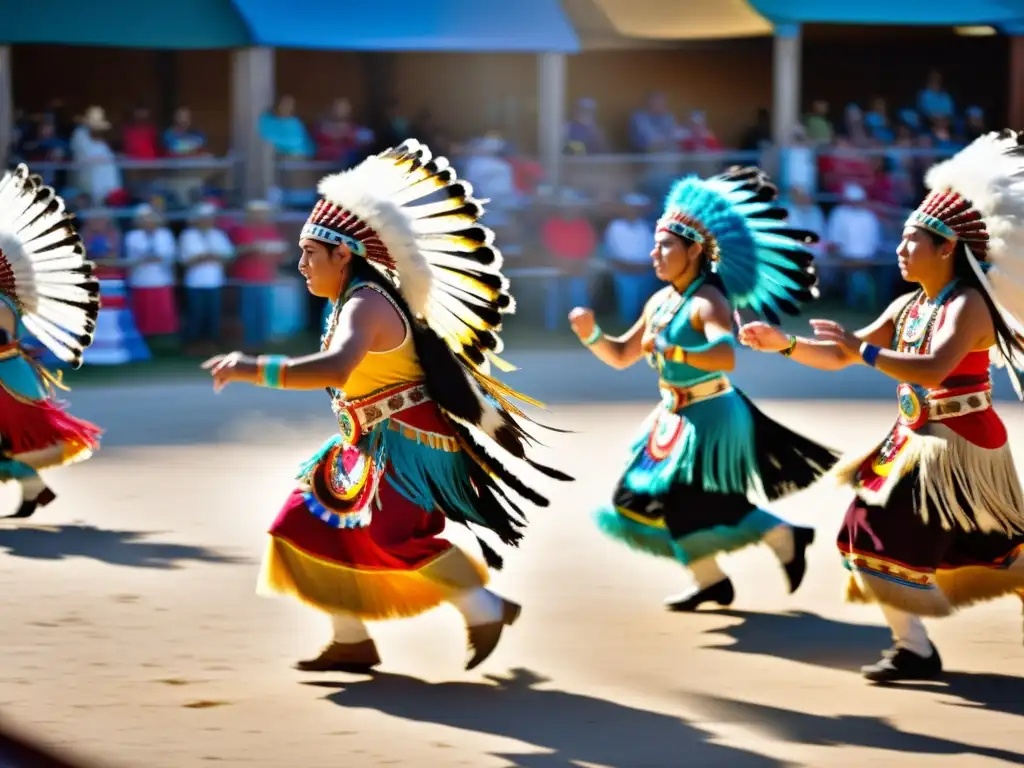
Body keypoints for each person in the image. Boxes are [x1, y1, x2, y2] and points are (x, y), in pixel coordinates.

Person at [202, 139, 571, 672]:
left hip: (409, 446)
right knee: (301, 526)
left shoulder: (365, 304)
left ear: (343, 253)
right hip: (368, 443)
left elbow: (333, 369)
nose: (300, 263)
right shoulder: (350, 302)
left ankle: (483, 607)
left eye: (310, 253)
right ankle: (351, 639)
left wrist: (249, 367)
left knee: (392, 538)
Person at [737, 130, 1024, 682]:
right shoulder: (908, 304)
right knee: (882, 533)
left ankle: (914, 648)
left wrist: (863, 349)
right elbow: (841, 354)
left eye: (912, 240)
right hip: (914, 443)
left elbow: (932, 369)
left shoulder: (969, 305)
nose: (900, 249)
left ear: (947, 249)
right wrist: (787, 343)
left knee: (949, 541)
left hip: (962, 446)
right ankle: (913, 647)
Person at [570, 166, 838, 611]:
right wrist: (591, 335)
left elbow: (724, 353)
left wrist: (676, 352)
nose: (655, 254)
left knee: (690, 505)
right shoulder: (661, 301)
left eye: (665, 246)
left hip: (712, 417)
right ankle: (728, 568)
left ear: (694, 250)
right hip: (673, 418)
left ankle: (770, 543)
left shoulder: (707, 301)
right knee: (639, 500)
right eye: (654, 245)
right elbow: (620, 356)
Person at [0, 165, 102, 517]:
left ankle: (35, 492)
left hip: (7, 380)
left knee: (11, 447)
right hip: (11, 377)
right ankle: (35, 493)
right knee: (9, 447)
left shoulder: (1, 303)